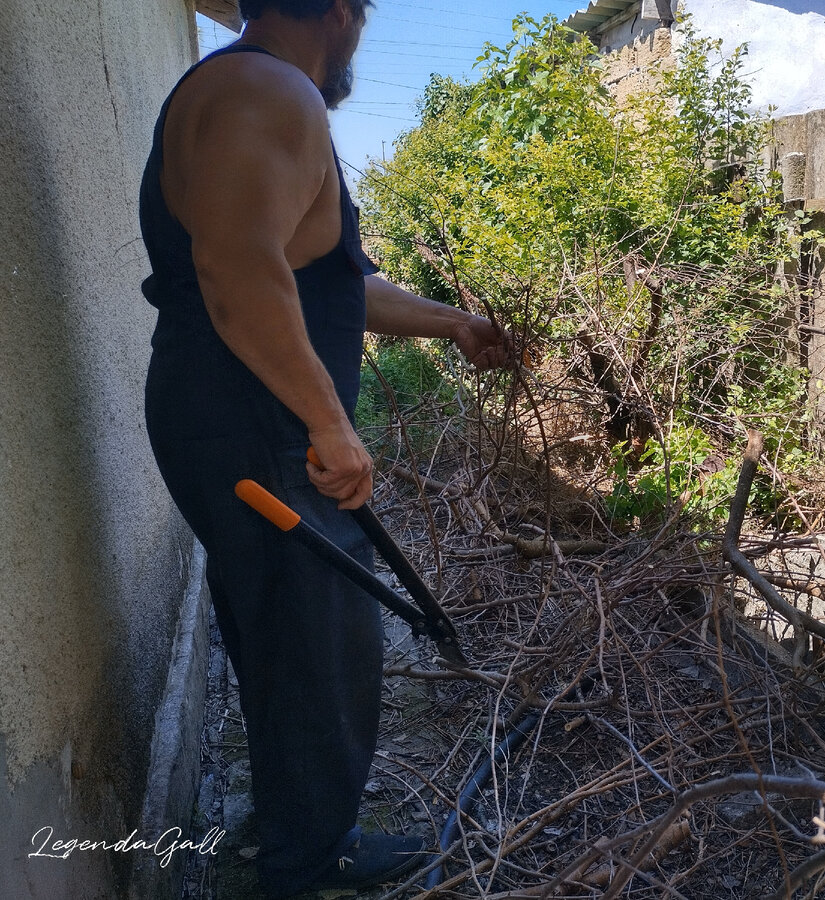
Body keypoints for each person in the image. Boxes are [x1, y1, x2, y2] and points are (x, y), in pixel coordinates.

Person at [138, 0, 511, 895]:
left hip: (235, 417)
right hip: (257, 424)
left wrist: (455, 323)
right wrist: (330, 425)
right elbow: (239, 273)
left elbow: (330, 278)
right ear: (342, 13)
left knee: (280, 629)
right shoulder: (268, 92)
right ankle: (309, 865)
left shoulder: (247, 89)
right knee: (321, 642)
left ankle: (288, 822)